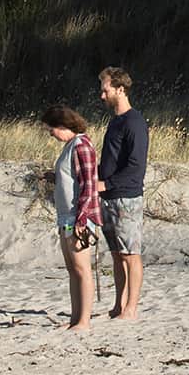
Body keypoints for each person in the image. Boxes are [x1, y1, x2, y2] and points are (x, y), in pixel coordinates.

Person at [95, 67, 149, 320]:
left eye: (105, 90)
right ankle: (119, 305)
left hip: (126, 197)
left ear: (120, 89)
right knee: (117, 255)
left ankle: (131, 308)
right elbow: (110, 161)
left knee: (130, 254)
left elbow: (136, 166)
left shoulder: (134, 122)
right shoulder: (115, 121)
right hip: (109, 197)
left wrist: (106, 184)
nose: (102, 95)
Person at [44, 104, 101, 333]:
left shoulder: (81, 146)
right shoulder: (70, 147)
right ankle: (75, 317)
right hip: (66, 216)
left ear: (63, 125)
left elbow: (89, 185)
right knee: (72, 269)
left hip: (78, 217)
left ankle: (84, 321)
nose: (50, 133)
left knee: (82, 268)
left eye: (51, 128)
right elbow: (73, 178)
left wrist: (82, 218)